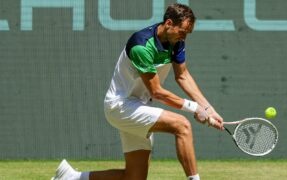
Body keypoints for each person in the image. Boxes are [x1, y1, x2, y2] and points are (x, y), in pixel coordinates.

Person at [51, 3, 223, 180]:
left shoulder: (176, 41)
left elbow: (183, 76)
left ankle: (71, 177)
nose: (184, 37)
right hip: (121, 106)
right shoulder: (141, 45)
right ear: (169, 23)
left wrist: (208, 109)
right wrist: (194, 108)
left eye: (187, 34)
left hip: (139, 106)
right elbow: (157, 92)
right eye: (182, 31)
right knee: (182, 125)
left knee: (134, 177)